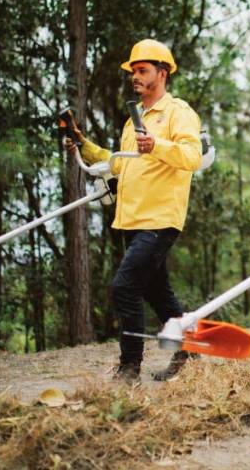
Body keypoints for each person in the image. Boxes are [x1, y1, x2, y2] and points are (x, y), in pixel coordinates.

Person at [65, 39, 202, 384]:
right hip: (132, 219)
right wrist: (83, 144)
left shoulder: (177, 113)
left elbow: (191, 157)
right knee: (158, 293)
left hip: (160, 218)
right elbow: (120, 165)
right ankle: (190, 352)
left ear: (163, 72)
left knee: (124, 287)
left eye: (142, 71)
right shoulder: (133, 121)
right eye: (133, 72)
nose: (135, 77)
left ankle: (129, 369)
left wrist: (157, 145)